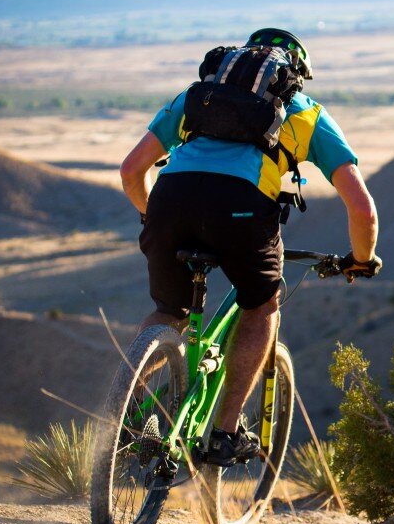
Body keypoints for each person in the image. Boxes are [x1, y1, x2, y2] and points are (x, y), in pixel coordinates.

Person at [118, 28, 380, 466]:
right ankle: (223, 434)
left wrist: (156, 218)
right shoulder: (306, 112)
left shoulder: (196, 97)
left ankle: (122, 411)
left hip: (170, 201)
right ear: (294, 73)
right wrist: (361, 259)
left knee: (169, 312)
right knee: (261, 308)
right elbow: (362, 208)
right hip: (240, 211)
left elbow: (131, 170)